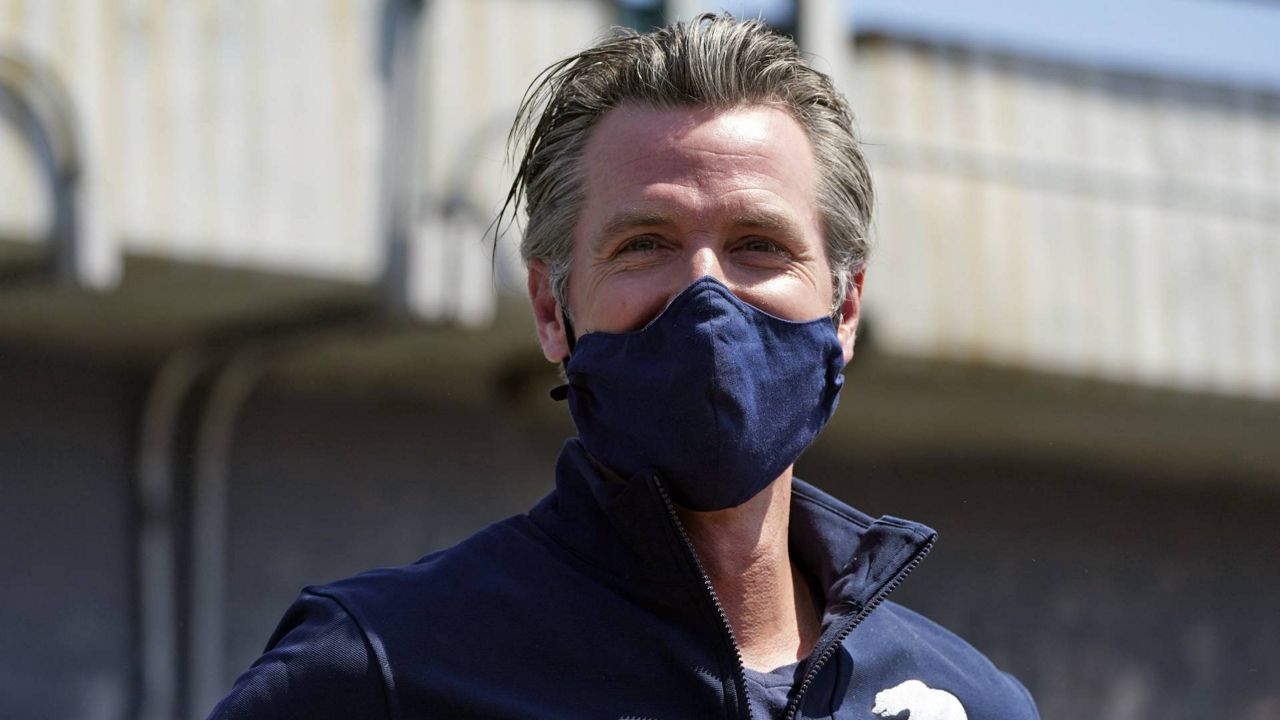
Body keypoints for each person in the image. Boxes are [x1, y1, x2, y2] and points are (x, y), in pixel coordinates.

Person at [210, 14, 1038, 720]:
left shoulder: (969, 701)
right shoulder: (381, 666)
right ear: (550, 310)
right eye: (644, 244)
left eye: (760, 244)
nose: (707, 298)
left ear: (845, 307)